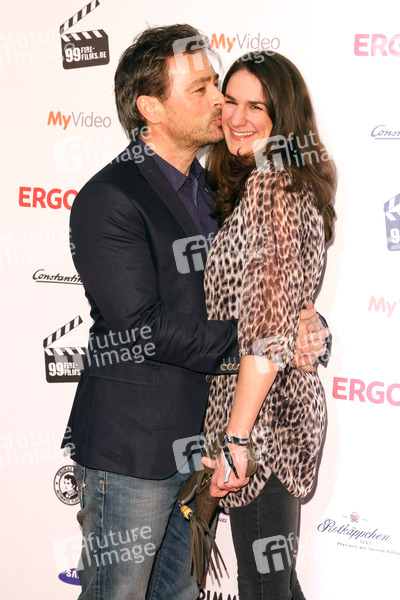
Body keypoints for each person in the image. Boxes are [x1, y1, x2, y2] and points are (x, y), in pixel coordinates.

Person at [61, 25, 329, 600]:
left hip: (202, 447)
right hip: (133, 449)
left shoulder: (216, 188)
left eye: (218, 87)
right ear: (151, 108)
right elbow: (142, 327)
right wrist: (261, 339)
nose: (220, 104)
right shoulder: (110, 197)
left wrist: (307, 323)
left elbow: (259, 285)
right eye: (203, 89)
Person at [201, 51, 336, 599]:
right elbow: (286, 304)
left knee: (263, 585)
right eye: (230, 102)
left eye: (256, 106)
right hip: (272, 414)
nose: (237, 118)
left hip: (264, 425)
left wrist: (236, 439)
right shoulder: (277, 182)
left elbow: (263, 331)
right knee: (275, 583)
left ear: (284, 115)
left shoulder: (272, 187)